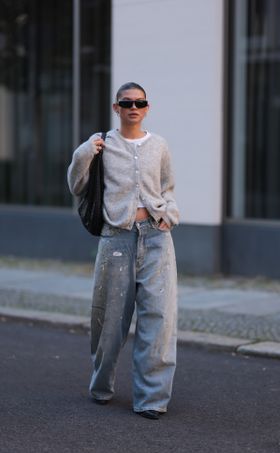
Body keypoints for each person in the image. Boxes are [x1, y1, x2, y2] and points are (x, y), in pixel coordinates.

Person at [67, 82, 179, 420]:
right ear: (116, 107)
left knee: (159, 319)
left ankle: (152, 399)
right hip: (116, 239)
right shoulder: (101, 145)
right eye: (126, 102)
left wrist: (170, 216)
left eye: (140, 102)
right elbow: (76, 185)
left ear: (147, 108)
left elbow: (168, 188)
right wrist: (85, 151)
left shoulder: (159, 145)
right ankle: (101, 385)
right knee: (109, 321)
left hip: (157, 237)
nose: (134, 107)